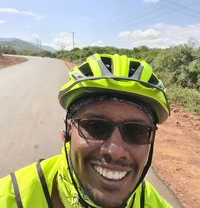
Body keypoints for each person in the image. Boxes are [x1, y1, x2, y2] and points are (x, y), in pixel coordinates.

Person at [0, 53, 172, 208]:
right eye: (96, 127)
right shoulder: (11, 198)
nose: (115, 151)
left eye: (137, 131)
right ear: (67, 134)